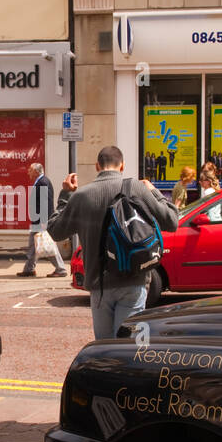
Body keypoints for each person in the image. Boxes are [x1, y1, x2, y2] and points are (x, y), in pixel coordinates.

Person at [46, 145, 178, 339]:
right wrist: (154, 191)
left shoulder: (82, 196)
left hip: (100, 283)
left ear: (97, 166)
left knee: (105, 347)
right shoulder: (136, 188)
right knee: (129, 346)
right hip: (134, 278)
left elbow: (55, 231)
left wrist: (66, 195)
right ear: (122, 166)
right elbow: (172, 221)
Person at [18, 162, 67, 277]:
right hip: (38, 219)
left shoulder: (43, 182)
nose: (28, 172)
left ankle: (60, 269)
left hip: (41, 220)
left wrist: (43, 222)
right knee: (33, 245)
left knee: (47, 245)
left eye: (30, 170)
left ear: (36, 171)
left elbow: (45, 203)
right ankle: (29, 269)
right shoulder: (40, 182)